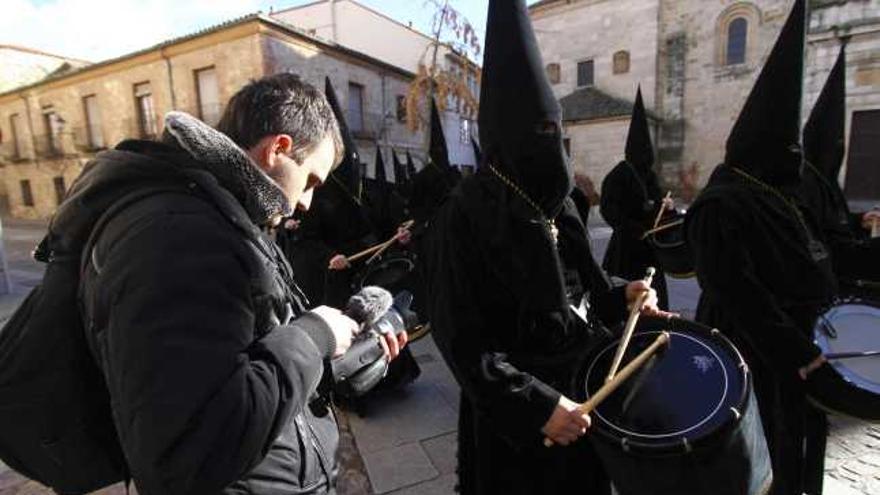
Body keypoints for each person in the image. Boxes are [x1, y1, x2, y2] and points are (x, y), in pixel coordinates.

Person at [72, 74, 400, 494]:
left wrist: (344, 360)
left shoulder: (229, 220)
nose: (307, 202)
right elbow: (192, 452)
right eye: (312, 181)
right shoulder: (178, 235)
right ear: (277, 149)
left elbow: (250, 366)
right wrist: (314, 334)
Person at [422, 2, 669, 493]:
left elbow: (584, 291)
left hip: (585, 394)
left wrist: (624, 292)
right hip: (518, 423)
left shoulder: (561, 202)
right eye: (536, 133)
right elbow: (462, 341)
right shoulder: (463, 215)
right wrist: (535, 406)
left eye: (553, 131)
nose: (548, 145)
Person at [686, 2, 835, 494]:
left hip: (798, 345)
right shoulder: (720, 203)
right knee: (759, 453)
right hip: (752, 351)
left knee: (800, 445)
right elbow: (735, 289)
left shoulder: (782, 196)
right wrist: (795, 350)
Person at [799, 42, 880, 298]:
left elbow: (835, 224)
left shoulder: (825, 180)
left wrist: (860, 221)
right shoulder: (807, 184)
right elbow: (824, 243)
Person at [600, 87, 672, 309]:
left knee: (653, 299)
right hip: (625, 248)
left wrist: (665, 209)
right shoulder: (619, 174)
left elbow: (657, 203)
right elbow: (608, 209)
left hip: (650, 250)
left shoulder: (650, 175)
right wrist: (632, 227)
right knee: (625, 299)